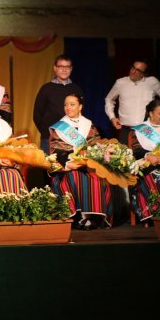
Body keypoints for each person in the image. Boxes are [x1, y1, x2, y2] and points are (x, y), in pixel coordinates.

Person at [50, 94, 112, 230]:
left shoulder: (89, 125)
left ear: (80, 106)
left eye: (72, 104)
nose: (68, 107)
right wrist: (68, 163)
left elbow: (96, 146)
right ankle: (79, 217)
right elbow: (55, 152)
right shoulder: (59, 127)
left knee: (97, 178)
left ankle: (95, 218)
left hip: (88, 166)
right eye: (66, 104)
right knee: (74, 176)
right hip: (67, 166)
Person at [104, 59, 160, 145]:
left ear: (144, 73)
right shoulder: (120, 83)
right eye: (133, 67)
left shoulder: (152, 82)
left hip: (146, 128)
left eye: (138, 70)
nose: (133, 71)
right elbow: (109, 99)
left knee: (149, 155)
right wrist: (112, 117)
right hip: (126, 129)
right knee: (126, 156)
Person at [33, 54, 83, 155]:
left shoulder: (77, 89)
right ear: (55, 68)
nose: (64, 70)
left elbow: (81, 113)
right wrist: (46, 132)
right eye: (61, 67)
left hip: (72, 138)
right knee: (50, 168)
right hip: (50, 138)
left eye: (67, 67)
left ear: (71, 69)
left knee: (72, 167)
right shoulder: (46, 88)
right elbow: (37, 115)